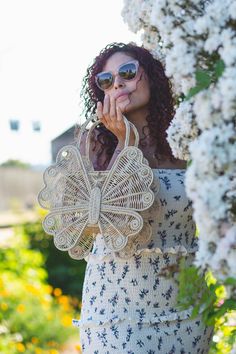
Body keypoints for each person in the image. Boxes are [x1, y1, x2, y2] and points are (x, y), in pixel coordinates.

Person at [73, 42, 214, 353]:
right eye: (106, 81)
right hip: (115, 315)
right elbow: (114, 222)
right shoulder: (94, 142)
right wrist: (125, 142)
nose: (118, 83)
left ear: (152, 75)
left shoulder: (186, 140)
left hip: (186, 312)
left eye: (127, 72)